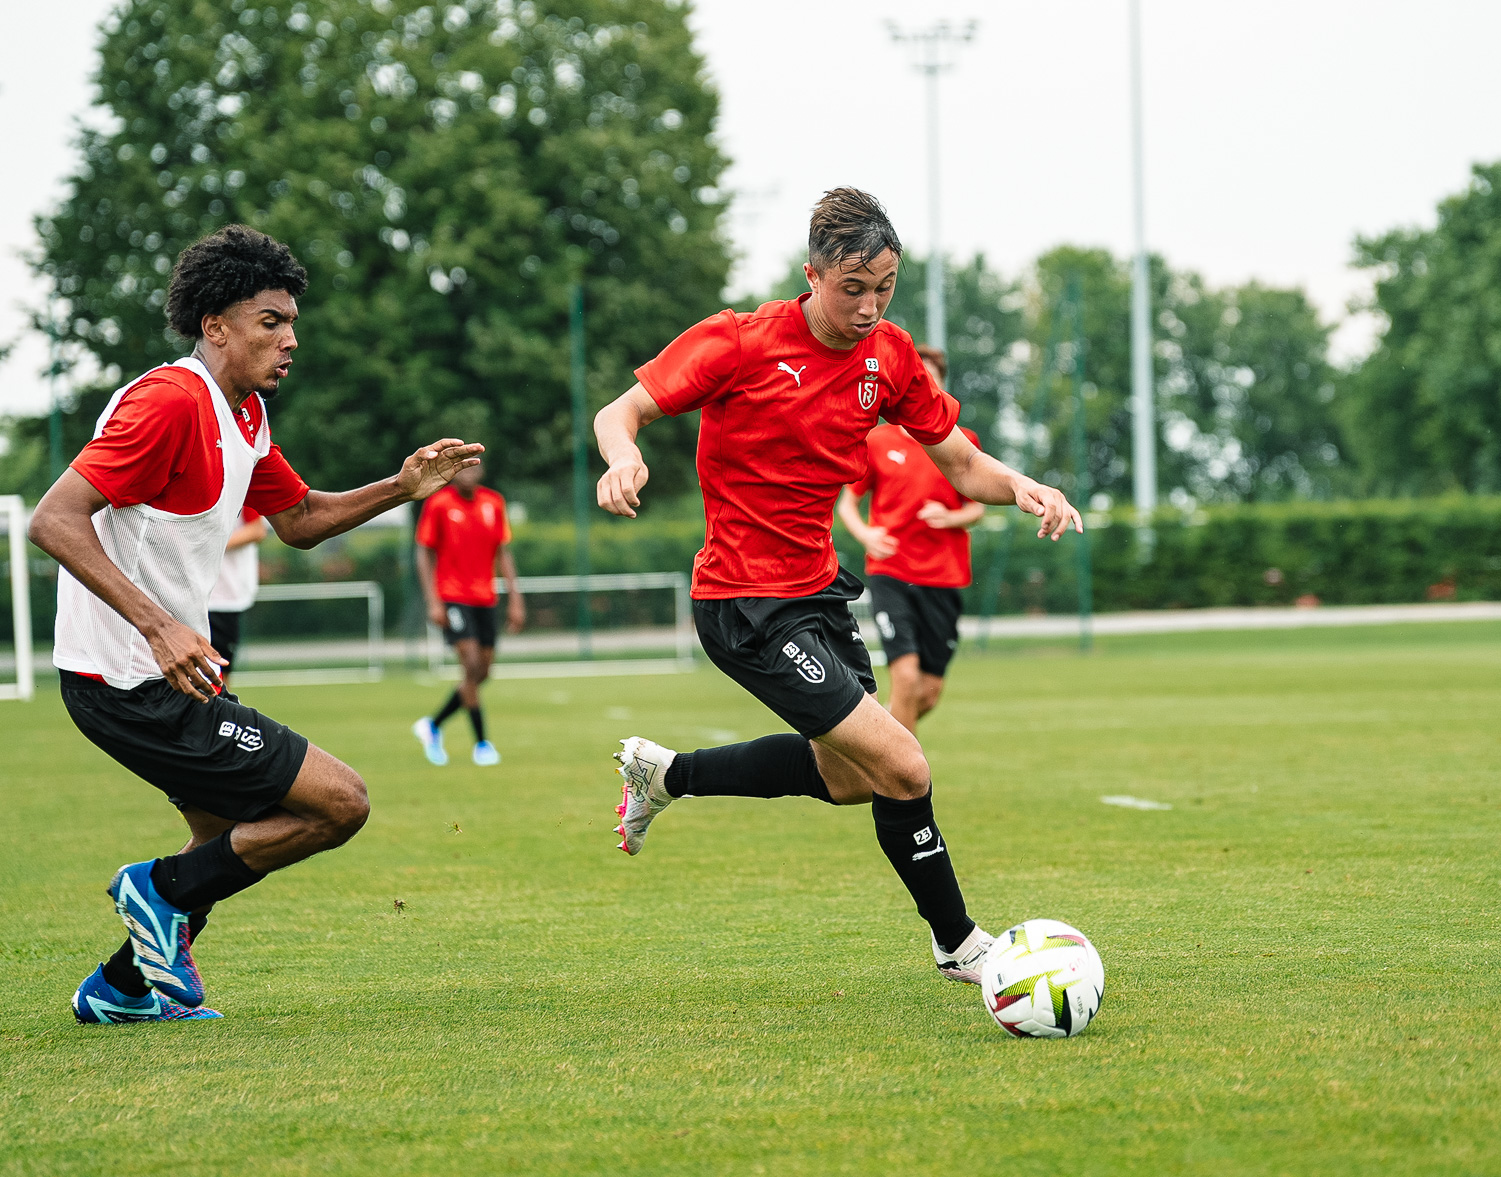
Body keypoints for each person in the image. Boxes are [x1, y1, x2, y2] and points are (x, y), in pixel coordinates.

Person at [592, 188, 1081, 984]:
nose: (869, 306)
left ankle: (667, 773)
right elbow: (622, 411)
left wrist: (1025, 486)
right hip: (743, 603)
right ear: (811, 274)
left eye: (883, 287)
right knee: (906, 764)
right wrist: (623, 457)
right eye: (852, 288)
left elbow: (960, 461)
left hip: (818, 594)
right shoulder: (738, 341)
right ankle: (959, 943)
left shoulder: (889, 357)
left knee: (852, 779)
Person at [31, 225, 483, 1024]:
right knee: (339, 802)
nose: (291, 339)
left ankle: (122, 989)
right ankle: (151, 893)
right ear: (216, 327)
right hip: (128, 677)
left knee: (217, 843)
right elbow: (55, 519)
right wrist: (159, 627)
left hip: (167, 677)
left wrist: (402, 485)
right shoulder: (169, 402)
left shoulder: (242, 416)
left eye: (292, 322)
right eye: (271, 320)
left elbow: (300, 517)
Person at [836, 345, 984, 736]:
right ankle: (899, 784)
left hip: (944, 577)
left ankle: (872, 743)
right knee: (904, 676)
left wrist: (950, 516)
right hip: (893, 572)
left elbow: (977, 508)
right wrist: (866, 533)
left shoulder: (961, 441)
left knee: (927, 692)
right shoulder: (877, 441)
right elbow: (847, 503)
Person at [411, 460, 525, 767]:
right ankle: (482, 744)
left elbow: (503, 551)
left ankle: (432, 726)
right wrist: (433, 601)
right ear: (453, 472)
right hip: (452, 597)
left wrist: (515, 598)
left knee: (482, 673)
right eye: (462, 467)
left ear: (482, 472)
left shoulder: (493, 502)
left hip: (485, 599)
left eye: (474, 468)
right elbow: (423, 551)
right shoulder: (439, 503)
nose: (468, 473)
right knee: (472, 666)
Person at [205, 508, 268, 687]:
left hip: (222, 598)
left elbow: (257, 530)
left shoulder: (236, 482)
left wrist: (203, 546)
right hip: (191, 595)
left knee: (218, 675)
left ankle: (215, 714)